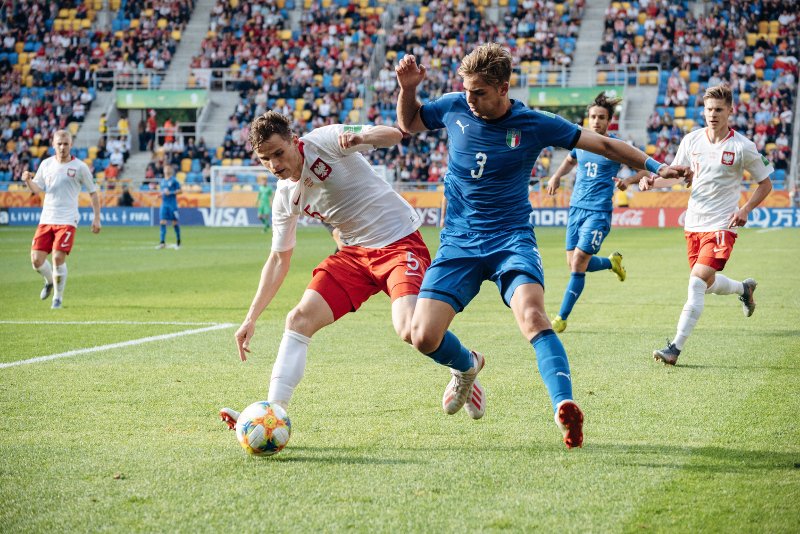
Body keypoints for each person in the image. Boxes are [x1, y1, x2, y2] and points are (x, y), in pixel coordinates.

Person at [395, 43, 691, 448]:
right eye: (465, 89)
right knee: (422, 337)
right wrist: (408, 88)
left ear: (503, 87)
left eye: (478, 91)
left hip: (511, 239)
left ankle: (564, 406)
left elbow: (605, 145)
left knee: (533, 317)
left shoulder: (534, 123)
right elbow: (409, 123)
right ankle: (468, 366)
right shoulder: (453, 107)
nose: (469, 97)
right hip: (459, 243)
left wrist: (657, 166)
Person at [219, 111, 436, 430]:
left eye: (279, 153)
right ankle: (272, 414)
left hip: (397, 241)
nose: (274, 165)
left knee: (410, 330)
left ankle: (464, 365)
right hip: (354, 255)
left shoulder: (324, 140)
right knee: (298, 319)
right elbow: (279, 260)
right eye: (265, 159)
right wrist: (250, 318)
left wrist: (362, 138)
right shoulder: (284, 197)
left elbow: (393, 134)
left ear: (294, 142)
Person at [641, 84, 773, 365]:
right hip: (693, 223)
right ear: (703, 110)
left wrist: (746, 208)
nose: (713, 115)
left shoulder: (742, 146)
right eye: (709, 109)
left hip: (723, 225)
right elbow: (677, 175)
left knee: (696, 282)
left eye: (719, 110)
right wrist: (652, 180)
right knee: (707, 283)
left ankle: (674, 348)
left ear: (730, 111)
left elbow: (766, 183)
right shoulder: (691, 141)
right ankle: (743, 289)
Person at [545, 92, 646, 333]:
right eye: (593, 117)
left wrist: (629, 181)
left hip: (598, 212)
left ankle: (561, 317)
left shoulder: (615, 147)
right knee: (574, 264)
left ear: (609, 121)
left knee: (579, 261)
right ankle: (612, 263)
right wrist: (557, 176)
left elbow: (644, 168)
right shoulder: (581, 143)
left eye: (601, 117)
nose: (596, 121)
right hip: (576, 209)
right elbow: (570, 160)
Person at [22, 130, 101, 309]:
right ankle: (50, 281)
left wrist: (97, 218)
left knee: (58, 257)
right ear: (53, 145)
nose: (62, 147)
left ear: (71, 145)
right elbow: (36, 189)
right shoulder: (46, 164)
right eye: (59, 144)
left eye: (66, 144)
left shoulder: (80, 167)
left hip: (67, 219)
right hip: (46, 219)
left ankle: (57, 298)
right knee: (36, 261)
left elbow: (93, 193)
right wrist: (28, 180)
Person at [156, 164, 182, 249]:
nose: (166, 170)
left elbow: (180, 191)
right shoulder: (162, 181)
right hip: (164, 205)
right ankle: (162, 243)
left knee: (174, 223)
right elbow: (163, 192)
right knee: (162, 222)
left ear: (170, 170)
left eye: (168, 168)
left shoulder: (174, 180)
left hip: (172, 205)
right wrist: (160, 195)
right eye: (165, 168)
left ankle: (178, 242)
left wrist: (170, 193)